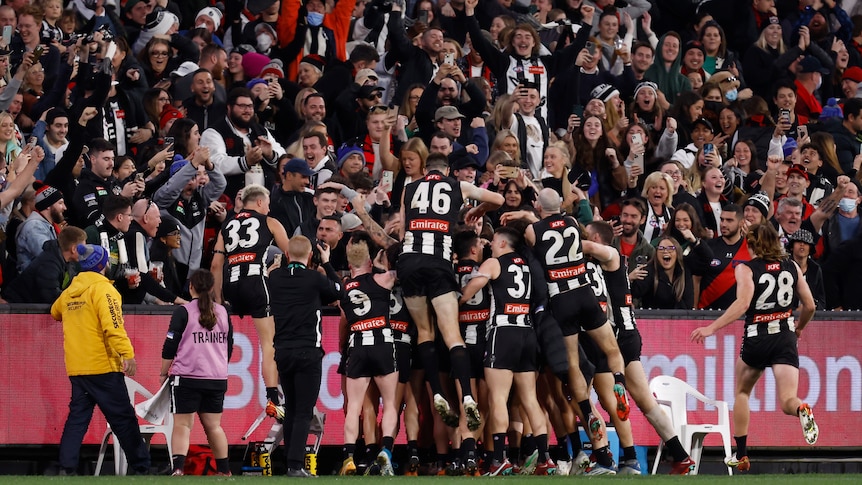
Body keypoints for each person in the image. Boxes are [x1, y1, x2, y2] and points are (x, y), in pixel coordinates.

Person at [691, 223, 818, 472]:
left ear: (751, 245)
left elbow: (743, 304)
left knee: (742, 393)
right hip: (784, 336)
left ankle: (742, 455)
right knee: (788, 400)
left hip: (756, 337)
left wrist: (711, 328)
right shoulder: (792, 266)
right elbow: (810, 305)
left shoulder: (746, 269)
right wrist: (800, 327)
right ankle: (802, 408)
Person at [397, 152, 503, 431]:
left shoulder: (409, 188)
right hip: (439, 262)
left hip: (409, 261)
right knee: (452, 333)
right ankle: (467, 395)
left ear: (425, 168)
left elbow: (401, 232)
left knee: (424, 332)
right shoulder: (458, 186)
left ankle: (438, 394)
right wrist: (479, 210)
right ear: (447, 170)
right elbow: (498, 200)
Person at [584, 222, 696, 474]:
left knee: (594, 397)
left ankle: (608, 455)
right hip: (629, 332)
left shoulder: (607, 258)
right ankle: (680, 455)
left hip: (615, 337)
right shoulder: (612, 264)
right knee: (646, 402)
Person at [459, 227, 554, 476]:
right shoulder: (527, 265)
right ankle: (545, 459)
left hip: (503, 331)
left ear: (502, 243)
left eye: (492, 241)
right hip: (527, 331)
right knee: (530, 399)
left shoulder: (494, 262)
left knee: (498, 397)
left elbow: (471, 290)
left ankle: (499, 459)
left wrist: (453, 304)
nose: (489, 244)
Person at [52, 244, 151, 476]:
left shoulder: (70, 291)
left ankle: (66, 468)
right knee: (124, 419)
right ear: (102, 265)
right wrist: (127, 354)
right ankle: (142, 467)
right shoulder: (104, 290)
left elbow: (55, 311)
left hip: (78, 368)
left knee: (78, 419)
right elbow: (113, 326)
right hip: (103, 366)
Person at [210, 184, 291, 419]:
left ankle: (216, 391)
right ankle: (273, 399)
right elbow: (291, 253)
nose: (268, 207)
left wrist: (219, 300)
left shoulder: (227, 225)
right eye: (266, 203)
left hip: (231, 285)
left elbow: (215, 265)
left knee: (224, 342)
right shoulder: (269, 221)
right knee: (269, 343)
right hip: (256, 281)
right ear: (258, 202)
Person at [269, 235, 342, 477]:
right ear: (311, 256)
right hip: (308, 351)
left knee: (291, 409)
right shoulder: (315, 279)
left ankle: (291, 462)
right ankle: (295, 465)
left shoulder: (275, 278)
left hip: (282, 352)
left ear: (287, 255)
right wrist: (328, 264)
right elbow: (341, 291)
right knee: (303, 411)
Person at [160, 269, 233, 477]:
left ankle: (178, 469)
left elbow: (170, 345)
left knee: (182, 425)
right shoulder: (224, 312)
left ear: (190, 286)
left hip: (187, 377)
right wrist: (217, 365)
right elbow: (229, 345)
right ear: (211, 288)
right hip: (216, 378)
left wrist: (163, 373)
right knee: (214, 427)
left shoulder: (183, 311)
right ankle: (225, 472)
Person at [338, 239, 399, 477]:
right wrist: (381, 264)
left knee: (354, 406)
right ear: (368, 260)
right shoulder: (383, 278)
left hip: (358, 343)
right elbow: (402, 267)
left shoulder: (343, 287)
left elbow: (344, 322)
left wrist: (343, 345)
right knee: (390, 403)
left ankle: (349, 458)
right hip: (383, 342)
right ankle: (386, 450)